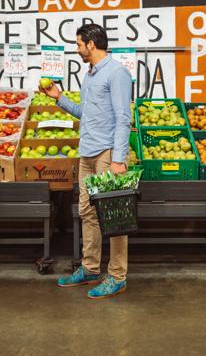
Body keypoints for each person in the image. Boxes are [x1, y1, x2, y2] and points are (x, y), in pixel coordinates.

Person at [41, 24, 132, 299]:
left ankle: (117, 275)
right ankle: (91, 268)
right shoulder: (90, 75)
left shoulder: (117, 73)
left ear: (92, 44)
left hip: (107, 154)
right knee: (87, 213)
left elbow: (123, 118)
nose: (77, 48)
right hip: (88, 153)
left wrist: (118, 159)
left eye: (79, 44)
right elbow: (86, 113)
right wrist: (59, 99)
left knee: (114, 216)